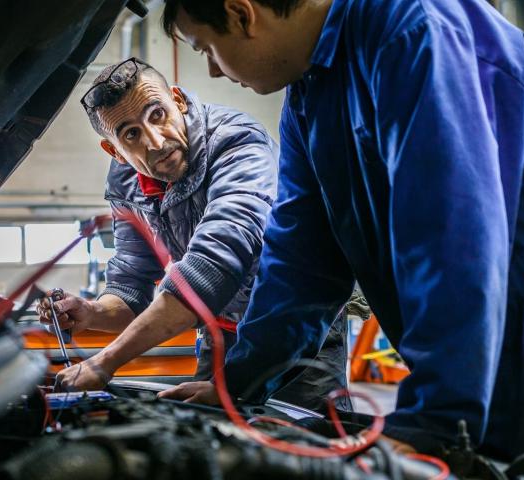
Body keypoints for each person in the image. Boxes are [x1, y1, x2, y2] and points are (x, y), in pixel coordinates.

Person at [157, 0, 524, 471]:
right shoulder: (310, 93)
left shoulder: (413, 26)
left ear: (242, 13)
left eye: (206, 49)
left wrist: (432, 419)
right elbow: (301, 261)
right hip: (510, 322)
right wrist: (238, 381)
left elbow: (453, 232)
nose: (215, 71)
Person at [40, 57, 351, 413]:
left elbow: (213, 266)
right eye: (131, 134)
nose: (155, 142)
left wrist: (105, 361)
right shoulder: (126, 183)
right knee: (214, 443)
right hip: (218, 336)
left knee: (305, 451)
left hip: (296, 332)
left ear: (179, 101)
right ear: (115, 151)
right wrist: (91, 312)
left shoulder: (238, 143)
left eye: (157, 114)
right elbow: (130, 289)